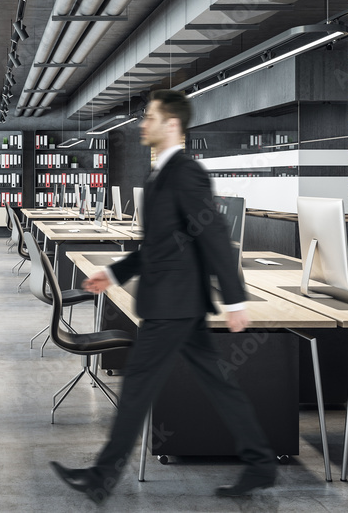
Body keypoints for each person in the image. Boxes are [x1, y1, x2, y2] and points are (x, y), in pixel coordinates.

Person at [50, 89, 276, 504]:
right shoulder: (160, 176)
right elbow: (160, 247)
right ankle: (261, 461)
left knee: (137, 389)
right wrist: (114, 273)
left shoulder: (186, 173)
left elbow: (213, 235)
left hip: (173, 305)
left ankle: (102, 477)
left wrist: (236, 299)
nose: (142, 123)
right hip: (175, 303)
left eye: (149, 117)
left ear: (171, 124)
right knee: (217, 382)